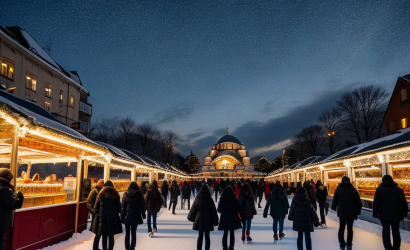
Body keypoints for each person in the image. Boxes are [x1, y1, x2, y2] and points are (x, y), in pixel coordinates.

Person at [373, 175, 408, 250]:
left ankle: (387, 247)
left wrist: (375, 213)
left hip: (384, 215)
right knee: (396, 231)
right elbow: (404, 203)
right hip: (396, 214)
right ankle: (396, 247)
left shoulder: (379, 189)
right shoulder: (399, 189)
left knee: (385, 230)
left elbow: (376, 203)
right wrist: (404, 213)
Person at [331, 176, 362, 250]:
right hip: (351, 212)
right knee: (350, 228)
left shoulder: (338, 189)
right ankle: (349, 244)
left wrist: (334, 208)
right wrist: (358, 212)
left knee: (341, 227)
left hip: (341, 212)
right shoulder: (353, 190)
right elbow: (359, 203)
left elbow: (335, 200)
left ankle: (342, 243)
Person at [92, 181, 122, 250]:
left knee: (104, 236)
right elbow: (119, 209)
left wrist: (100, 213)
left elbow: (96, 208)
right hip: (112, 219)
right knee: (111, 236)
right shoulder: (115, 195)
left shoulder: (100, 195)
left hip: (102, 219)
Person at [0, 168, 24, 250]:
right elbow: (13, 204)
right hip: (2, 221)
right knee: (0, 242)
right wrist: (20, 196)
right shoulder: (5, 189)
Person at [190, 185, 219, 250]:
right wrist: (216, 221)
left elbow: (194, 209)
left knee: (200, 236)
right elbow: (213, 211)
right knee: (207, 236)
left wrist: (192, 218)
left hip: (199, 218)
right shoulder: (210, 200)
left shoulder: (198, 199)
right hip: (208, 219)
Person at [121, 182, 145, 250]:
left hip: (127, 215)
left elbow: (123, 206)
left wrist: (122, 217)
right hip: (136, 215)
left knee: (127, 232)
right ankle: (132, 247)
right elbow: (142, 205)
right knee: (133, 232)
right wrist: (143, 214)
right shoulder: (139, 194)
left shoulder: (125, 194)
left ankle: (127, 247)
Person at [217, 186, 242, 250]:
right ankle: (231, 247)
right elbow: (238, 208)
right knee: (232, 233)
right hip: (233, 217)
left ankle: (224, 247)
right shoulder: (234, 199)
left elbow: (219, 210)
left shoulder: (222, 199)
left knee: (225, 233)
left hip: (224, 217)